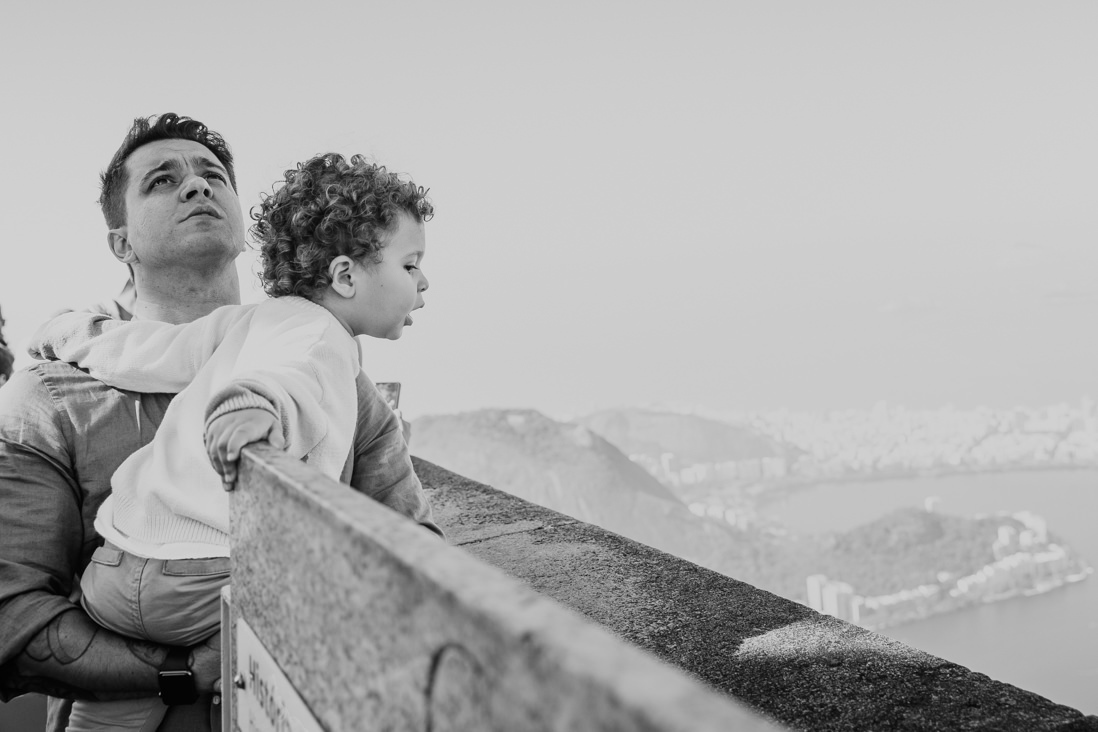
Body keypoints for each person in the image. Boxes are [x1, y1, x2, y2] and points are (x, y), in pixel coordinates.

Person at [0, 115, 439, 732]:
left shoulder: (329, 373)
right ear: (121, 243)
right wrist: (190, 669)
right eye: (162, 180)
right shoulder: (46, 401)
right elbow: (12, 620)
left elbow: (411, 554)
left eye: (213, 176)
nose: (197, 186)